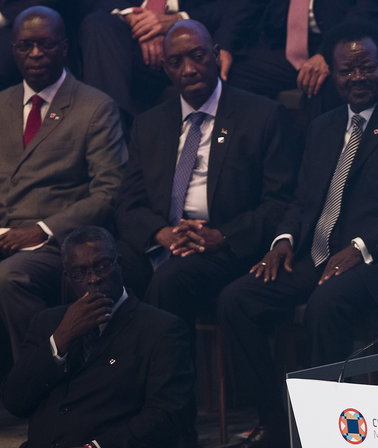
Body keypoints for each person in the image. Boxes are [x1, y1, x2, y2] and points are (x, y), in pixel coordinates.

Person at [217, 20, 378, 448]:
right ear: (334, 74)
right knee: (238, 298)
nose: (358, 78)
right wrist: (283, 240)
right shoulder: (323, 125)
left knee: (327, 305)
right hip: (318, 255)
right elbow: (304, 198)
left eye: (367, 68)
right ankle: (273, 421)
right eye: (347, 71)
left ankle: (321, 434)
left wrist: (362, 247)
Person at [115, 18, 297, 329]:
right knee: (101, 267)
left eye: (197, 56)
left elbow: (279, 201)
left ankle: (168, 376)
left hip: (225, 245)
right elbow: (128, 203)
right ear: (165, 69)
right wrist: (163, 234)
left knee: (170, 281)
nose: (188, 69)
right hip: (164, 239)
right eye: (175, 62)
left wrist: (222, 236)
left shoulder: (262, 115)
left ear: (215, 54)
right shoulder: (149, 125)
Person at [0, 6, 126, 375]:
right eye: (26, 46)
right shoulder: (1, 104)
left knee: (9, 279)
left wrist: (41, 229)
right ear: (13, 49)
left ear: (64, 47)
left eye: (45, 45)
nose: (35, 54)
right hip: (4, 233)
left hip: (55, 242)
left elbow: (109, 190)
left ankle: (40, 383)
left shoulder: (95, 106)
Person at [0, 226, 194, 448]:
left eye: (102, 266)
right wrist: (59, 341)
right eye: (80, 273)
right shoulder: (47, 322)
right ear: (67, 277)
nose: (93, 279)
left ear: (119, 263)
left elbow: (167, 414)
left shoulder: (161, 328)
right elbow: (15, 402)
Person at [220, 0, 378, 118]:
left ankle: (319, 166)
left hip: (346, 42)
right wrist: (225, 45)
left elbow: (368, 10)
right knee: (232, 77)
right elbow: (247, 4)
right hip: (284, 43)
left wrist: (329, 51)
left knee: (325, 86)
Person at [79, 0, 224, 121]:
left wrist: (176, 22)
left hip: (189, 37)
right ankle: (106, 130)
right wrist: (134, 18)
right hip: (129, 34)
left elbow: (231, 7)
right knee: (97, 24)